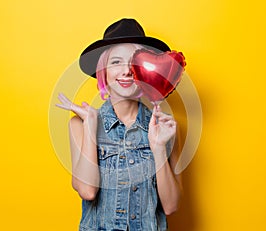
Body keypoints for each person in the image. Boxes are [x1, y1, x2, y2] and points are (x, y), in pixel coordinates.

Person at [56, 18, 183, 231]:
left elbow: (171, 206)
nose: (126, 71)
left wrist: (159, 148)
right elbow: (87, 190)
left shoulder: (166, 130)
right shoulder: (79, 124)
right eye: (116, 62)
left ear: (148, 72)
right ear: (102, 71)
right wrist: (91, 125)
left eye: (135, 63)